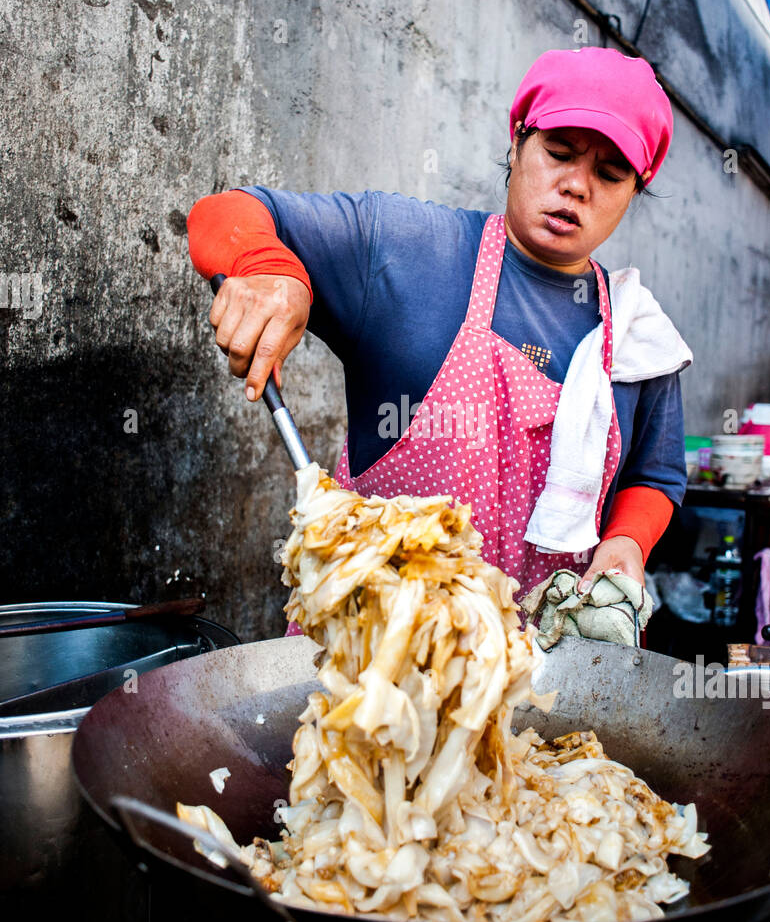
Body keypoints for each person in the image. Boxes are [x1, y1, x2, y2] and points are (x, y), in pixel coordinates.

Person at [187, 47, 690, 601]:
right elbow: (225, 212)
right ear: (519, 140)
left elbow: (655, 475)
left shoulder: (638, 335)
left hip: (545, 675)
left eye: (611, 173)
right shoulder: (410, 250)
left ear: (633, 192)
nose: (577, 185)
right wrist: (267, 270)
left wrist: (628, 541)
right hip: (375, 660)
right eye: (559, 152)